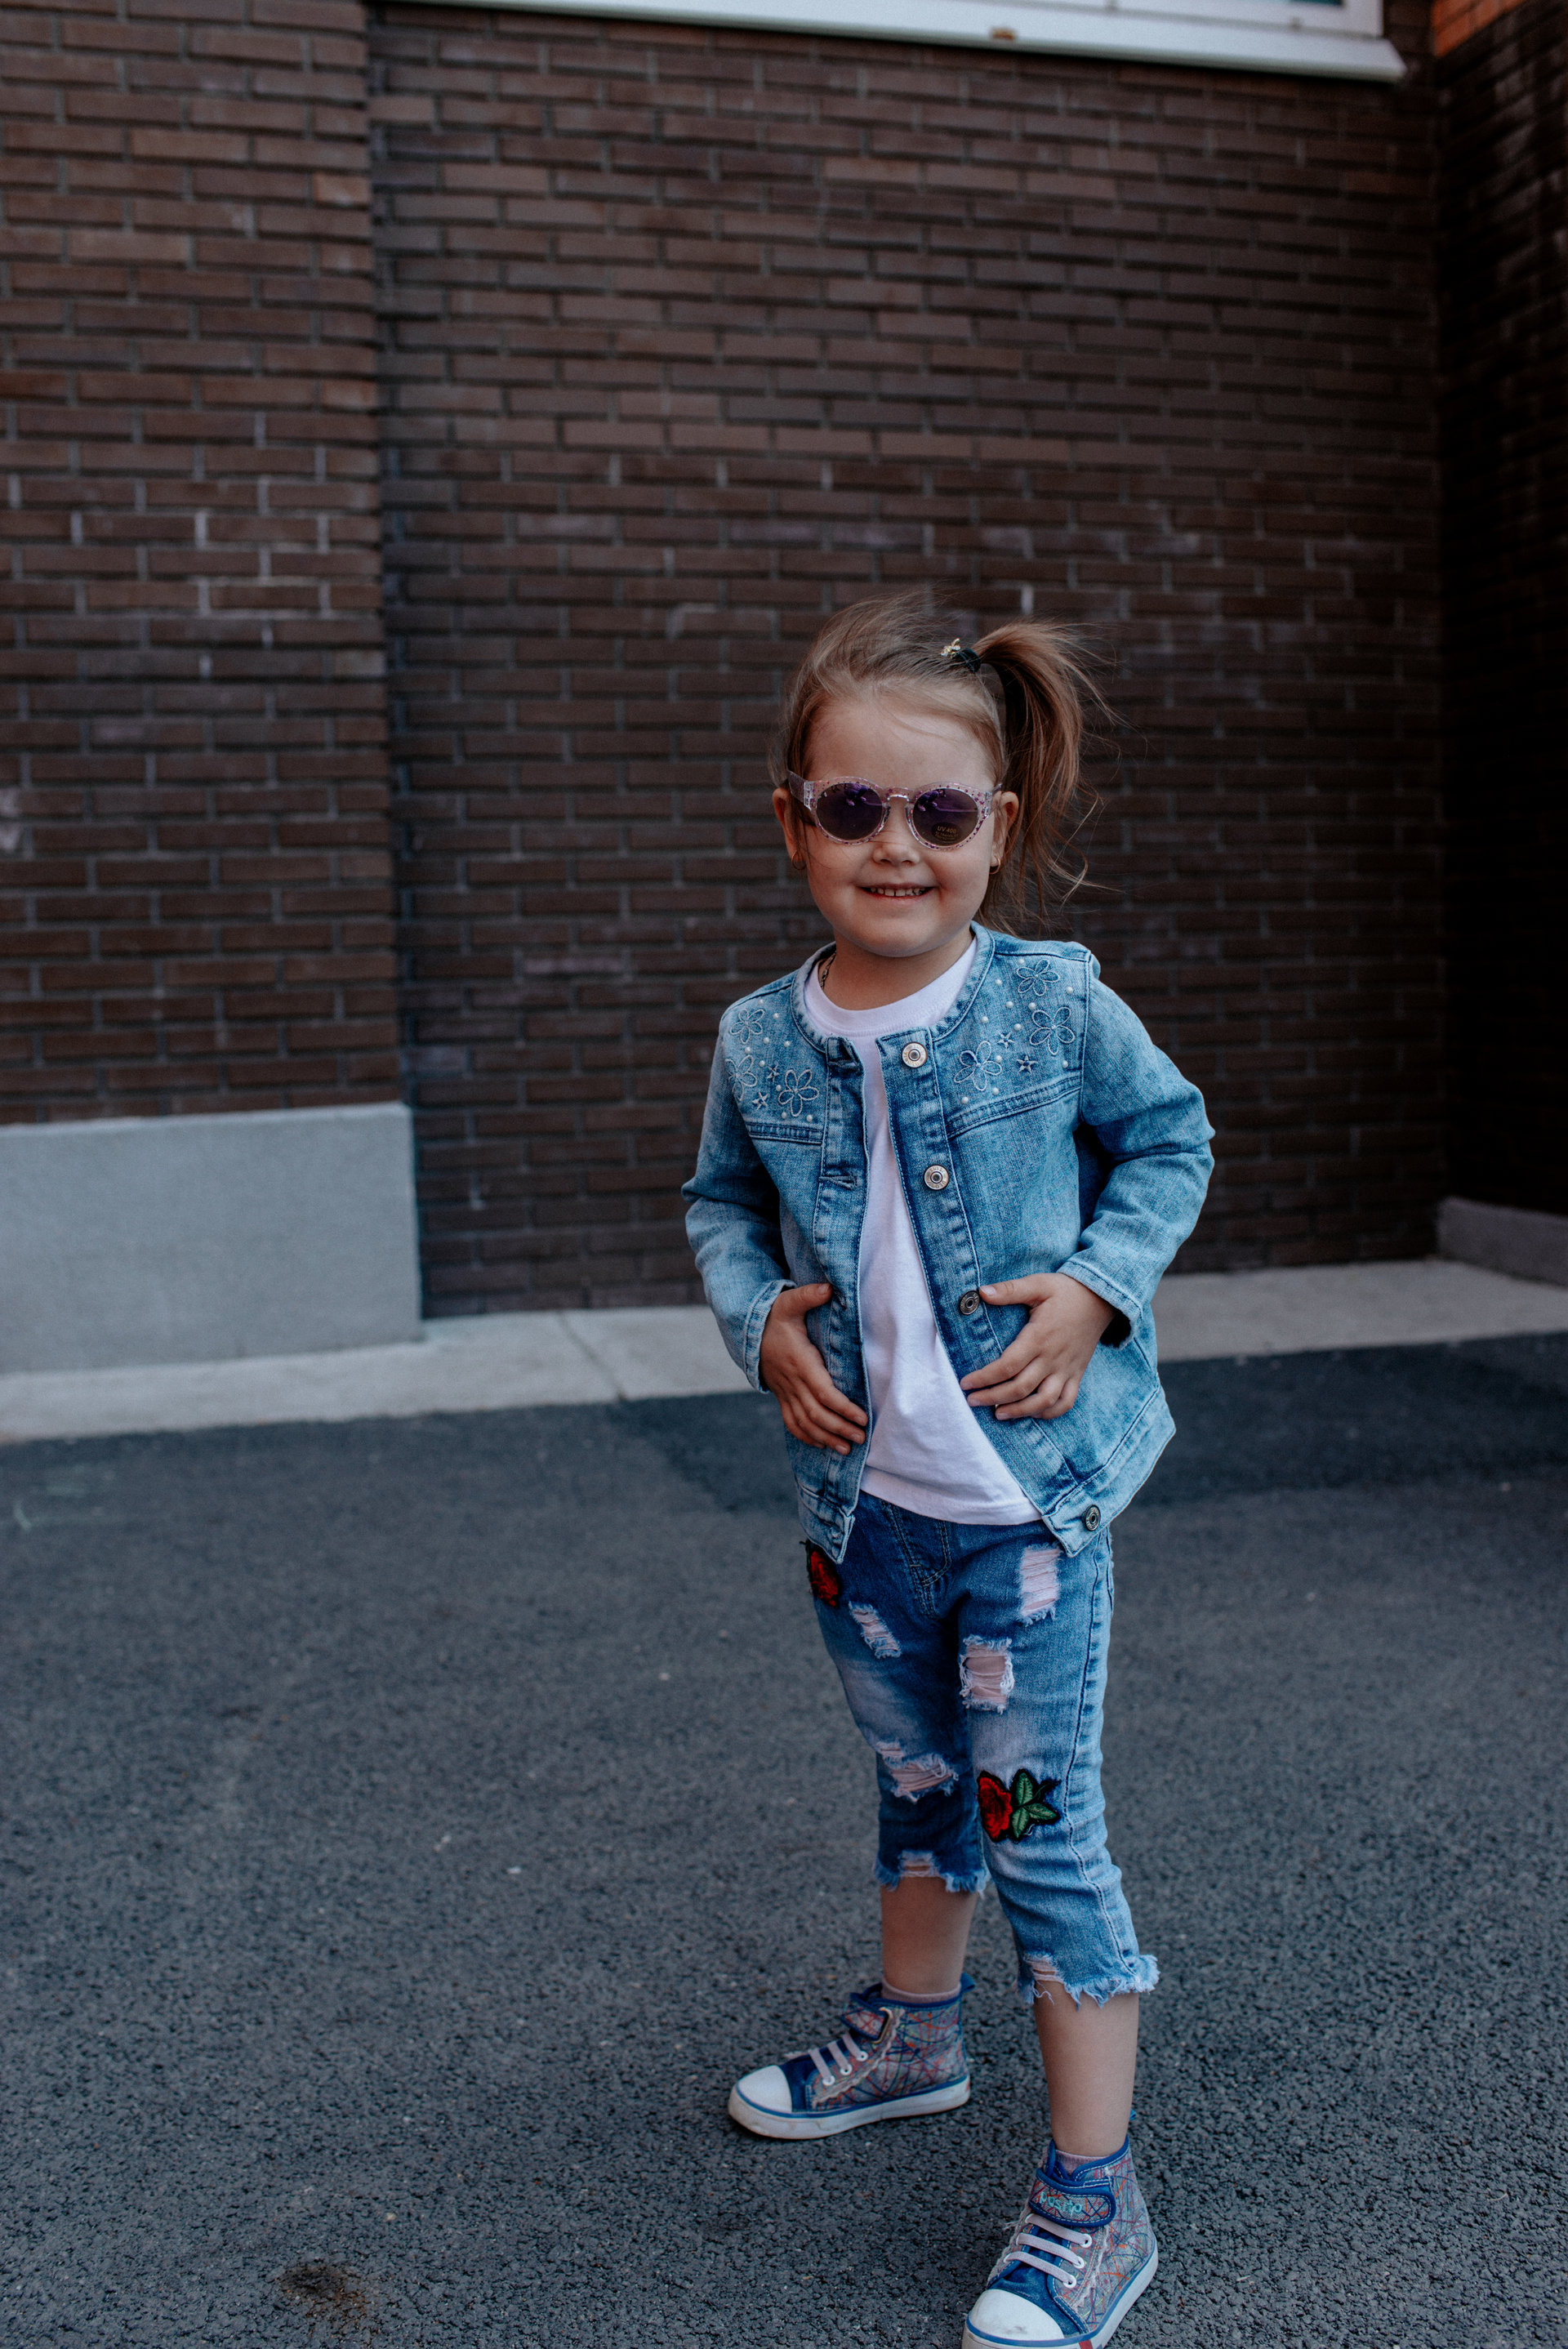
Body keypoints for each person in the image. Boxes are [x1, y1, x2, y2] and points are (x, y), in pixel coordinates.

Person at [681, 592, 1213, 2349]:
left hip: (1026, 1525)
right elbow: (721, 1205)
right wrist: (757, 1319)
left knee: (1042, 1840)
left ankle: (1095, 2198)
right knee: (917, 1784)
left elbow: (1170, 1141)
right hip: (866, 1521)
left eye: (939, 811)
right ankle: (916, 2038)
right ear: (793, 821)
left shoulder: (1051, 1003)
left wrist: (1097, 1288)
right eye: (853, 808)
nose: (894, 845)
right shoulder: (762, 1038)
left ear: (1000, 825)